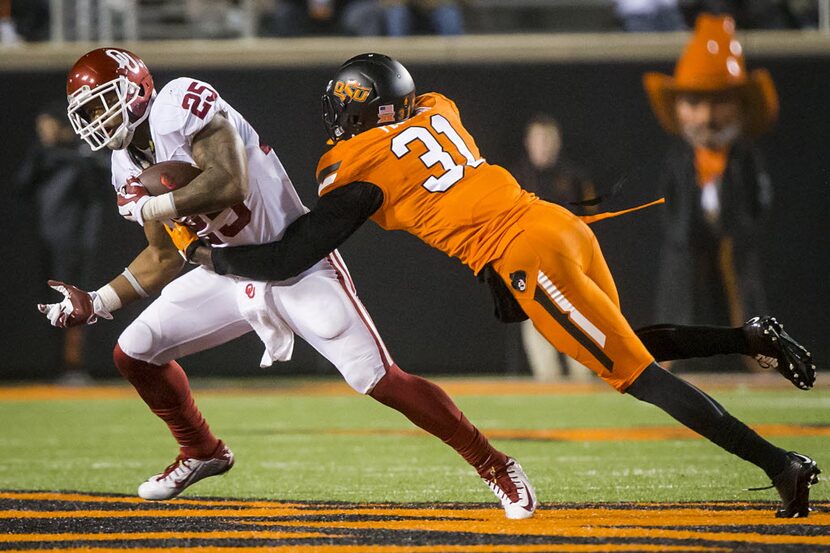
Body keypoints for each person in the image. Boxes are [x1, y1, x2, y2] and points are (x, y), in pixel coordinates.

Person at [176, 52, 819, 517]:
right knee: (624, 348)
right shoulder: (437, 109)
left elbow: (291, 256)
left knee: (636, 376)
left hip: (523, 251)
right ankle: (749, 335)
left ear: (356, 113)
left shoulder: (356, 167)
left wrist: (214, 258)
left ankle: (779, 465)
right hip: (558, 225)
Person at [36, 48, 537, 519]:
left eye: (102, 104)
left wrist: (153, 205)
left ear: (137, 89)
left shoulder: (177, 104)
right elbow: (165, 255)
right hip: (226, 271)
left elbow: (229, 182)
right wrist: (98, 300)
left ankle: (495, 464)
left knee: (379, 379)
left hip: (294, 264)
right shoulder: (124, 162)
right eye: (88, 112)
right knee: (135, 351)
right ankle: (202, 450)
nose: (96, 121)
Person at [644, 14, 778, 372]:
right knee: (680, 304)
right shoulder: (679, 158)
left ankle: (759, 364)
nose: (706, 117)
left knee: (744, 305)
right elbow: (666, 202)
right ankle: (668, 367)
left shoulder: (744, 157)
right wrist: (679, 234)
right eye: (695, 102)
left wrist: (743, 230)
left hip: (733, 246)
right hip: (687, 245)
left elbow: (759, 202)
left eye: (719, 102)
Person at [15, 101, 109, 385]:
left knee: (75, 302)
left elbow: (103, 176)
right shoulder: (43, 157)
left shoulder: (82, 153)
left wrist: (73, 155)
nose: (43, 131)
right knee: (52, 305)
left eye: (47, 124)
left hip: (75, 243)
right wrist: (41, 155)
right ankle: (57, 365)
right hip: (48, 241)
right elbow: (21, 185)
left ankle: (74, 365)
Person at [511, 114, 595, 382]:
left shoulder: (574, 178)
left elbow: (589, 221)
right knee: (540, 340)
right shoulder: (514, 177)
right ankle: (550, 391)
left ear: (558, 143)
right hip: (530, 267)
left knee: (578, 332)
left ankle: (584, 387)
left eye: (549, 140)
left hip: (568, 265)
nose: (544, 146)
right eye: (539, 139)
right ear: (528, 142)